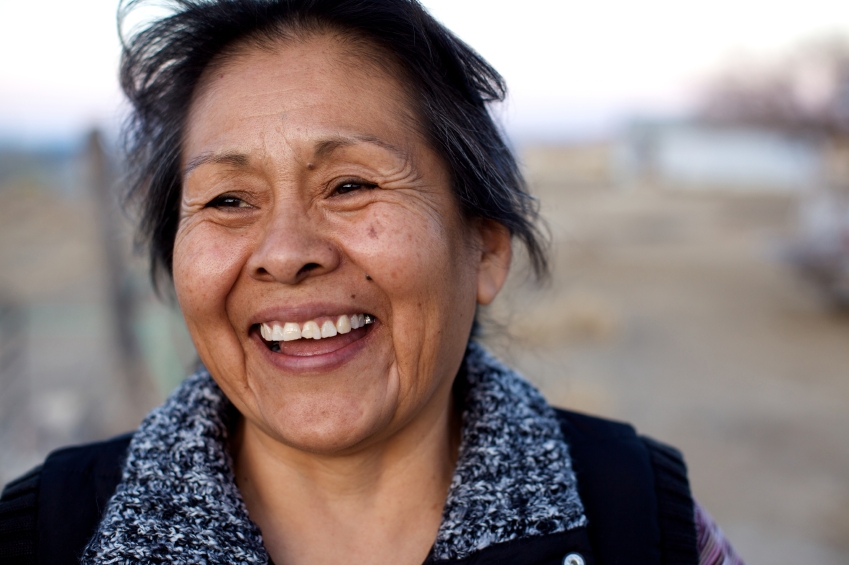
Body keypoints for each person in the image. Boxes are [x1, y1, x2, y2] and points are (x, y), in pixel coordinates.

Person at [0, 1, 744, 564]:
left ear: (483, 249)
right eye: (227, 200)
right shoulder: (40, 534)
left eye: (350, 184)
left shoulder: (645, 522)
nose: (285, 253)